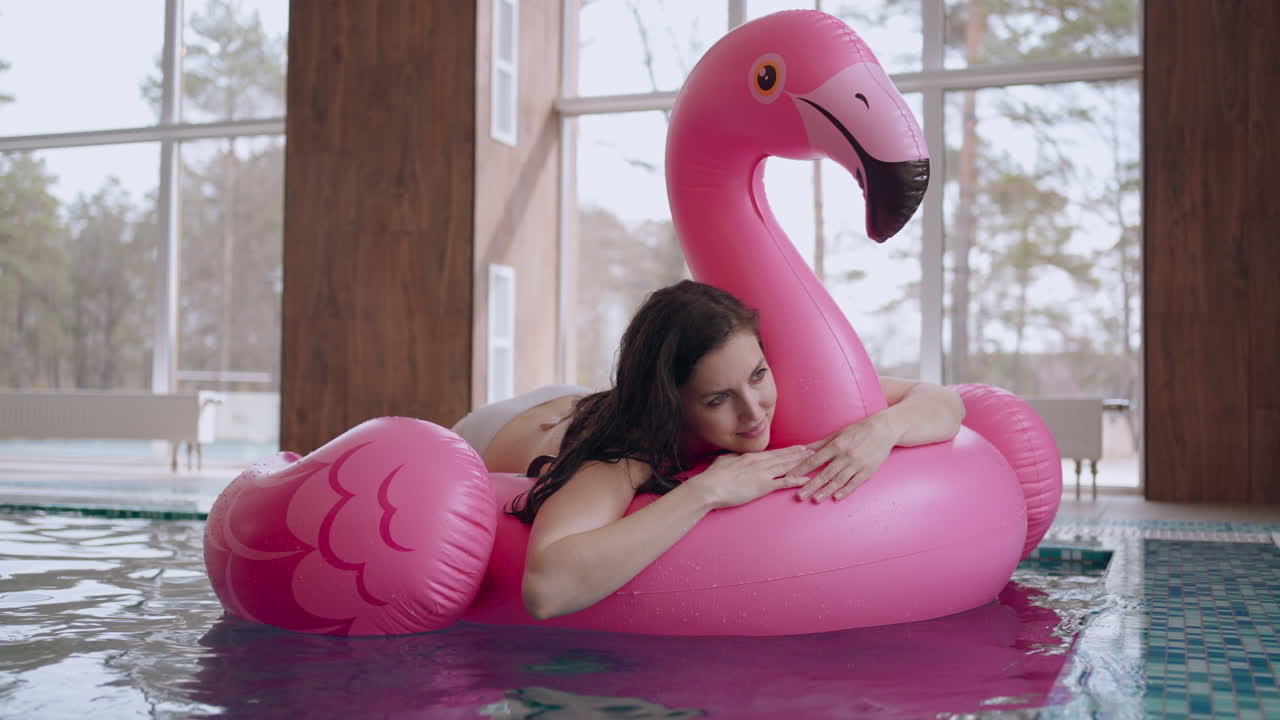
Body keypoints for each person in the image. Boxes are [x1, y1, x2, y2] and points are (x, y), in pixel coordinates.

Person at [450, 280, 965, 620]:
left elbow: (944, 402)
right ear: (672, 403)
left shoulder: (768, 389)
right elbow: (547, 589)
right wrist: (709, 490)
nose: (753, 412)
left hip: (576, 396)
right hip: (503, 430)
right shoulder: (631, 449)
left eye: (758, 375)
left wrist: (884, 429)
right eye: (719, 399)